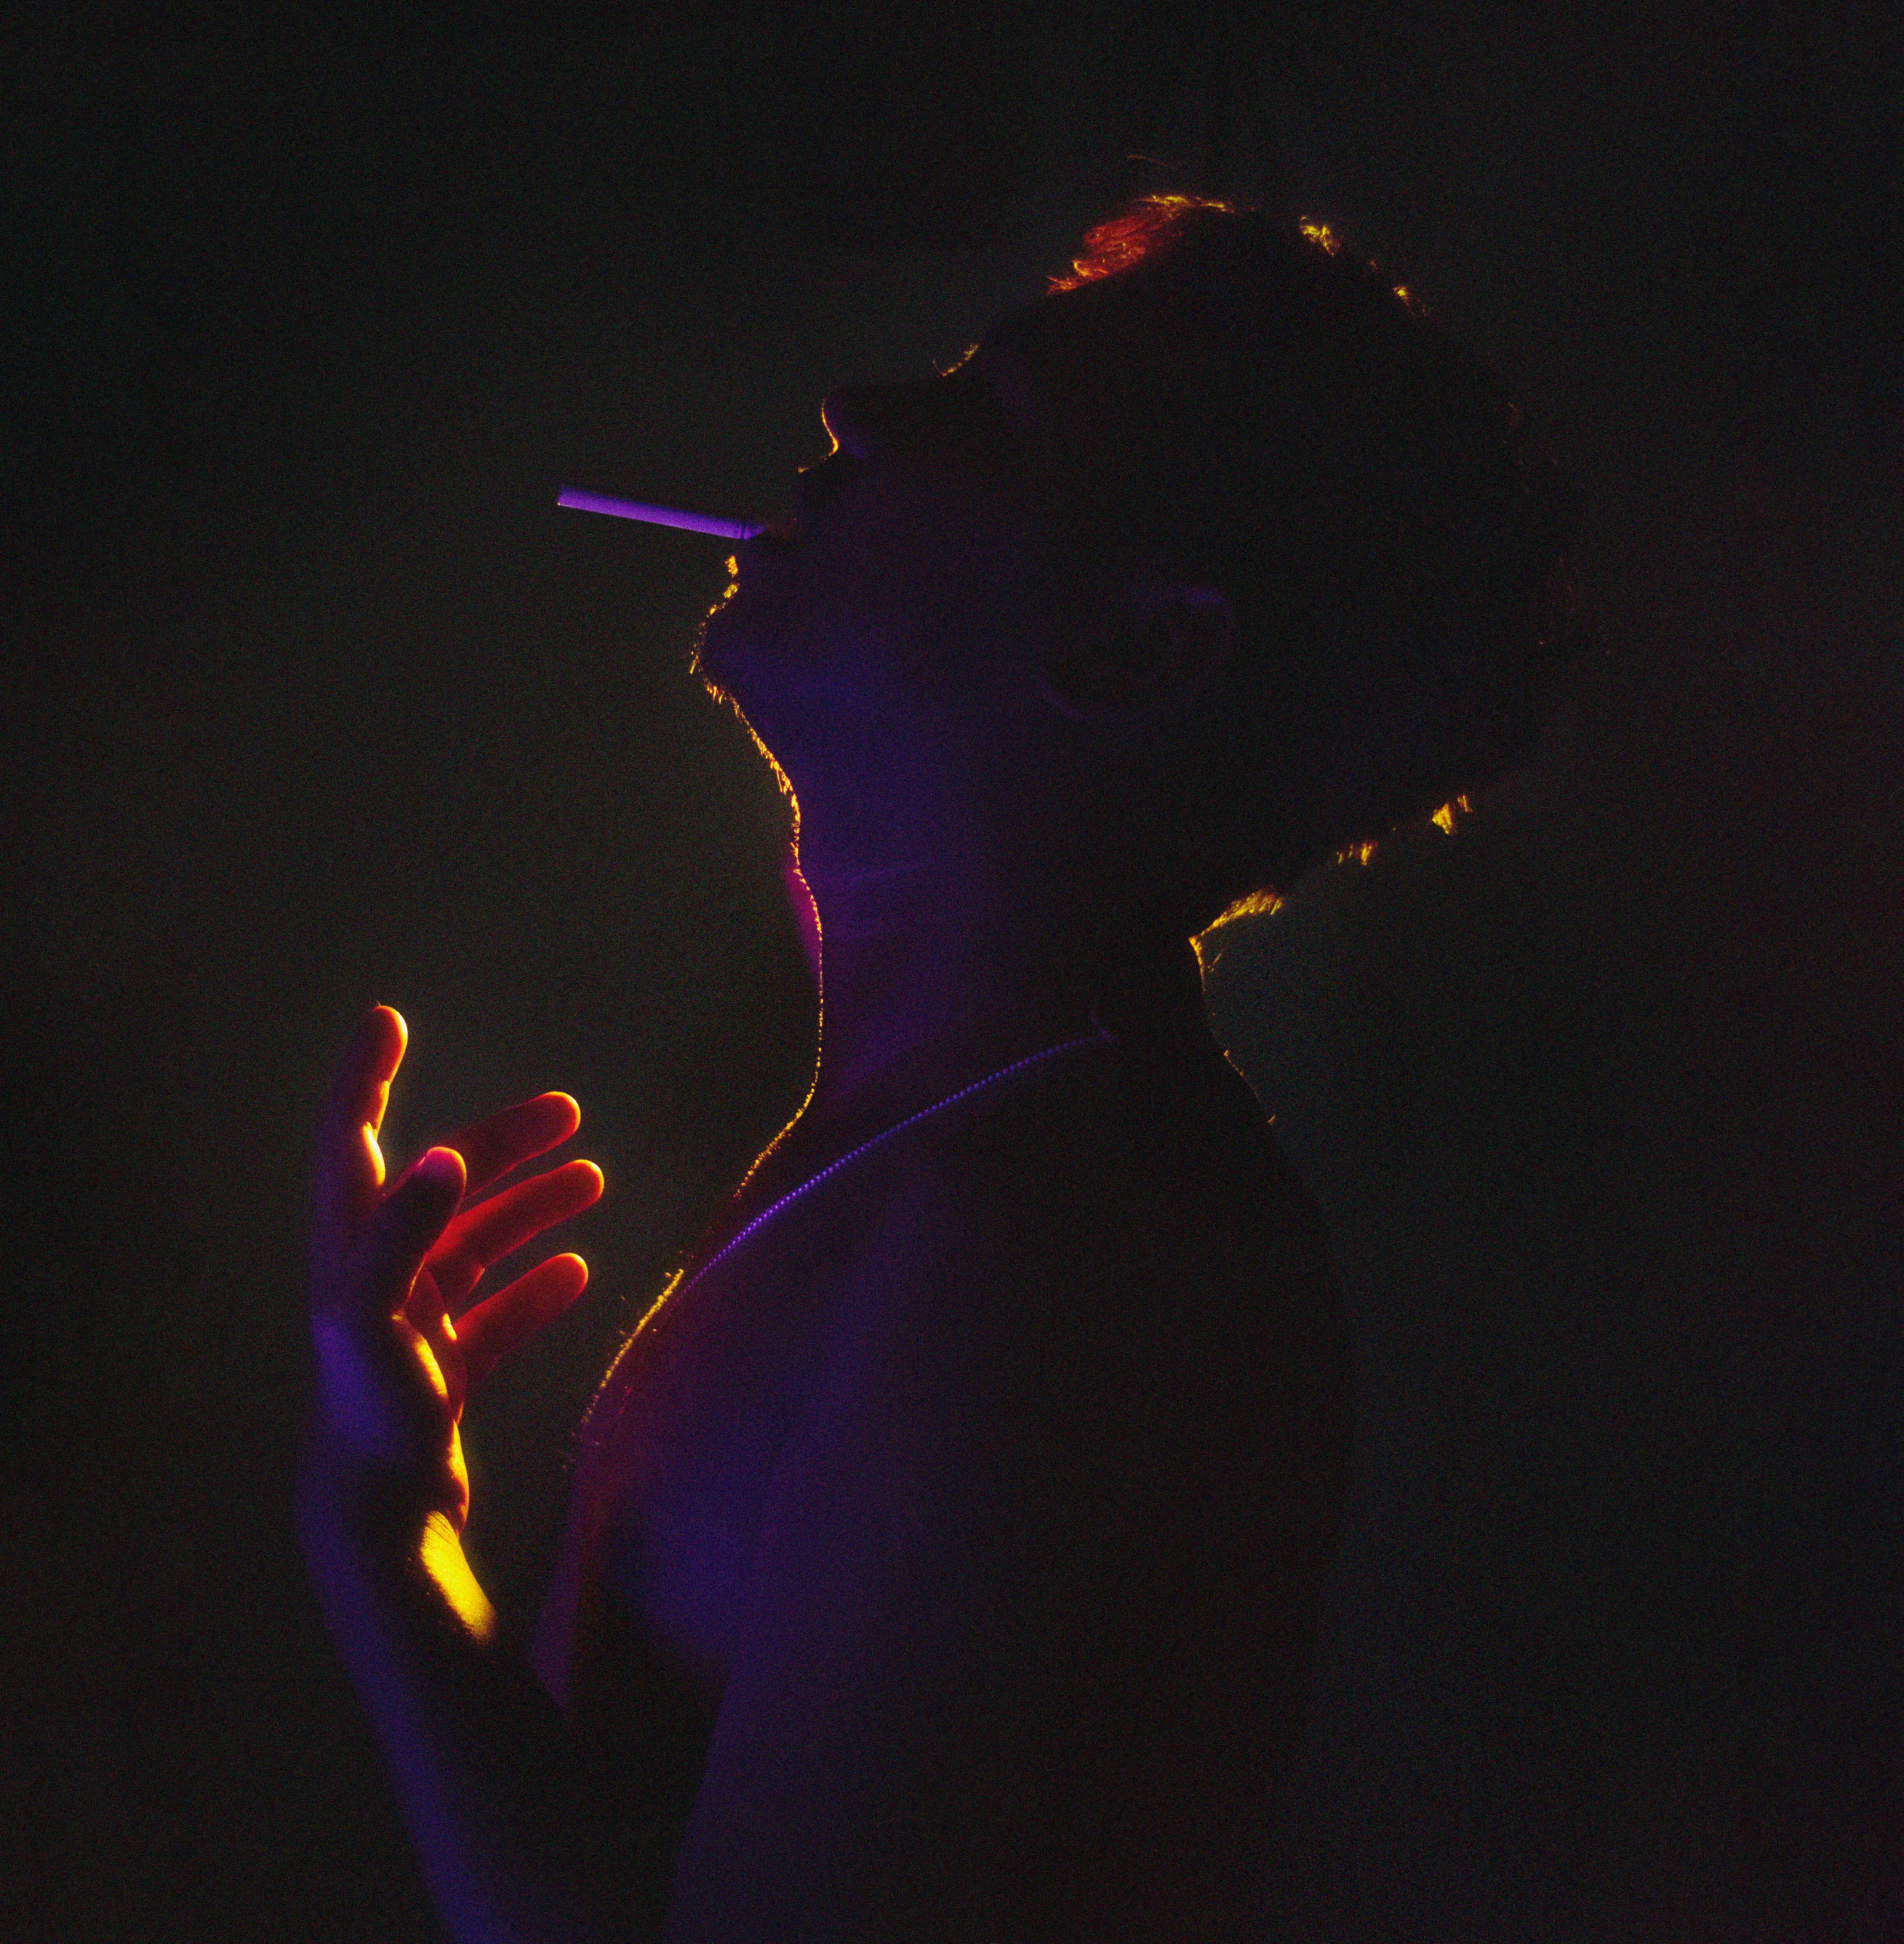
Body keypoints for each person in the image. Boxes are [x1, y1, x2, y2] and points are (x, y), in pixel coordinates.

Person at [299, 193, 1585, 1940]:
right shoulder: (978, 1145)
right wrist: (408, 1530)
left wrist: (380, 1552)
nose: (860, 408)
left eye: (988, 411)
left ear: (1139, 650)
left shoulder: (1061, 1245)